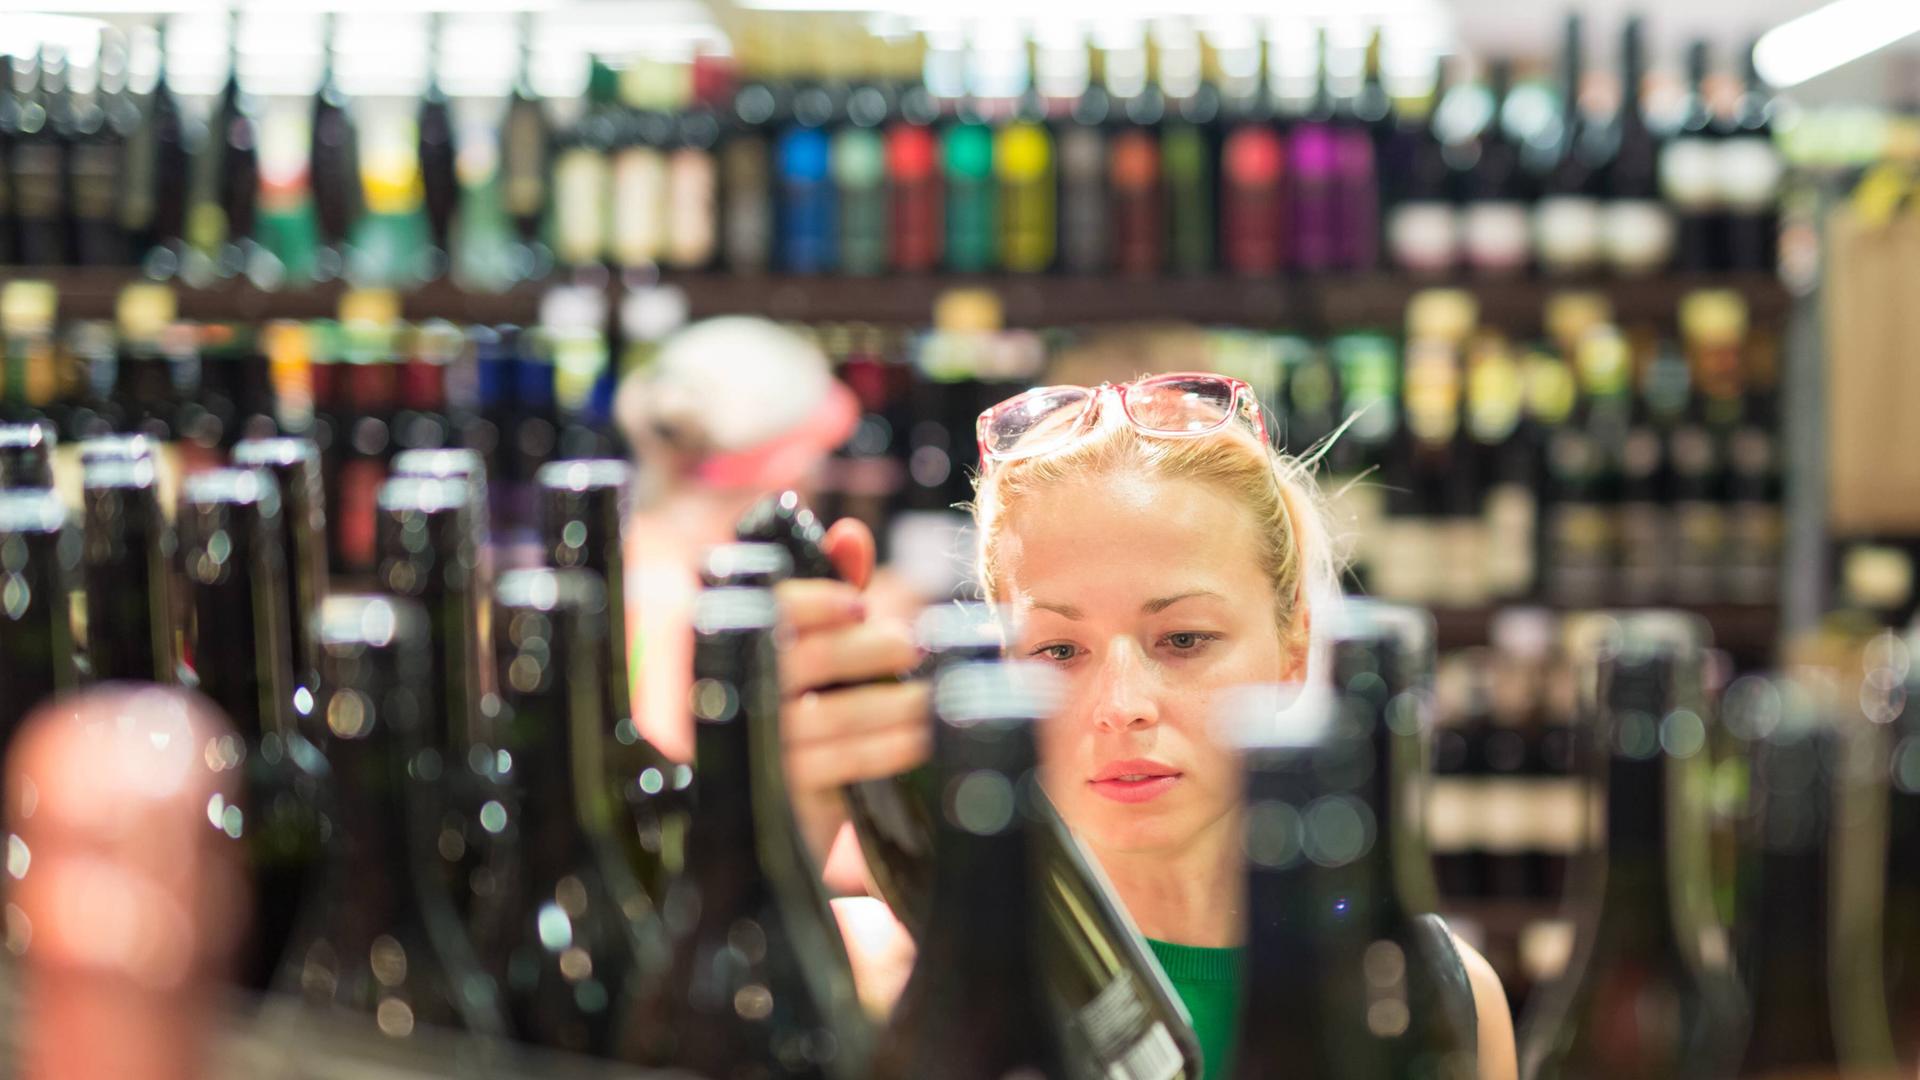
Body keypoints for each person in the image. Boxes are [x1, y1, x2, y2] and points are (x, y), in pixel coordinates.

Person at [775, 371, 1519, 1079]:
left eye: (1184, 640)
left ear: (1295, 640)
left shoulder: (1435, 998)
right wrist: (780, 839)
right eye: (1059, 650)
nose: (1121, 703)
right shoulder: (886, 976)